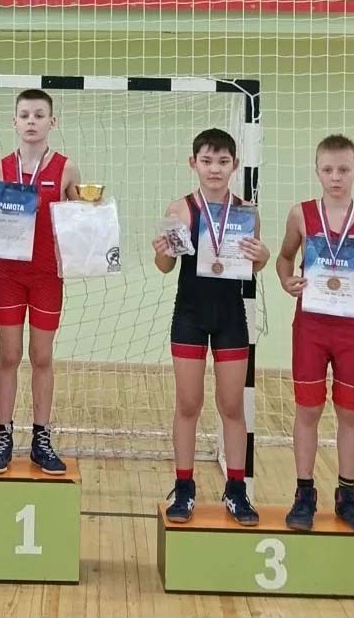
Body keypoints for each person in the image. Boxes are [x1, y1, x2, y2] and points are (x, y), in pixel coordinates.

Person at [276, 135, 354, 532]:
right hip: (310, 325)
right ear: (317, 171)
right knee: (308, 409)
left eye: (343, 169)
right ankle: (304, 493)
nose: (335, 177)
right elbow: (284, 258)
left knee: (350, 411)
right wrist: (286, 281)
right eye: (328, 169)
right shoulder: (301, 214)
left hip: (351, 328)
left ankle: (347, 494)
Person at [152, 128, 269, 524]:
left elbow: (255, 264)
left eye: (222, 161)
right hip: (189, 316)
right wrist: (162, 251)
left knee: (232, 406)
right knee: (188, 404)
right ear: (194, 164)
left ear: (235, 165)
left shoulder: (247, 212)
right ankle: (184, 487)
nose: (214, 169)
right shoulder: (180, 209)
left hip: (231, 319)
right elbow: (164, 266)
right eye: (207, 161)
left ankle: (236, 491)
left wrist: (263, 255)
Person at [0, 89, 81, 474]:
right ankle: (2, 436)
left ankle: (41, 438)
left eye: (39, 115)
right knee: (8, 355)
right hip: (9, 275)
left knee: (42, 356)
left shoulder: (67, 169)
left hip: (47, 277)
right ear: (15, 122)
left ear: (52, 121)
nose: (32, 121)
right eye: (25, 115)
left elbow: (78, 220)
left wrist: (89, 214)